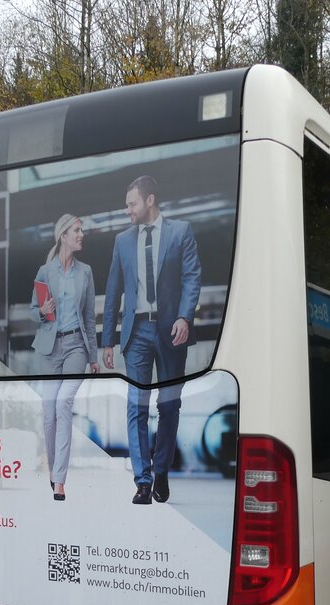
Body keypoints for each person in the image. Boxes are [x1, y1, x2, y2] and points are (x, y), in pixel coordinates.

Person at [101, 175, 201, 505]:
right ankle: (142, 481)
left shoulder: (180, 232)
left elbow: (192, 277)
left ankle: (161, 470)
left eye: (131, 204)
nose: (127, 210)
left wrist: (185, 317)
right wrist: (107, 340)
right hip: (137, 332)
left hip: (172, 329)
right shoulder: (122, 241)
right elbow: (113, 291)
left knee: (169, 405)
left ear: (149, 201)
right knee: (136, 405)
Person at [30, 214, 100, 501]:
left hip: (76, 347)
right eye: (76, 230)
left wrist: (93, 356)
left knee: (62, 403)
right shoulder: (45, 271)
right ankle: (53, 471)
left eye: (81, 230)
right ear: (63, 236)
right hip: (50, 348)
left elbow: (89, 318)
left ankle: (59, 480)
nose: (81, 235)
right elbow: (34, 311)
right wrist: (43, 310)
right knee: (48, 413)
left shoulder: (86, 272)